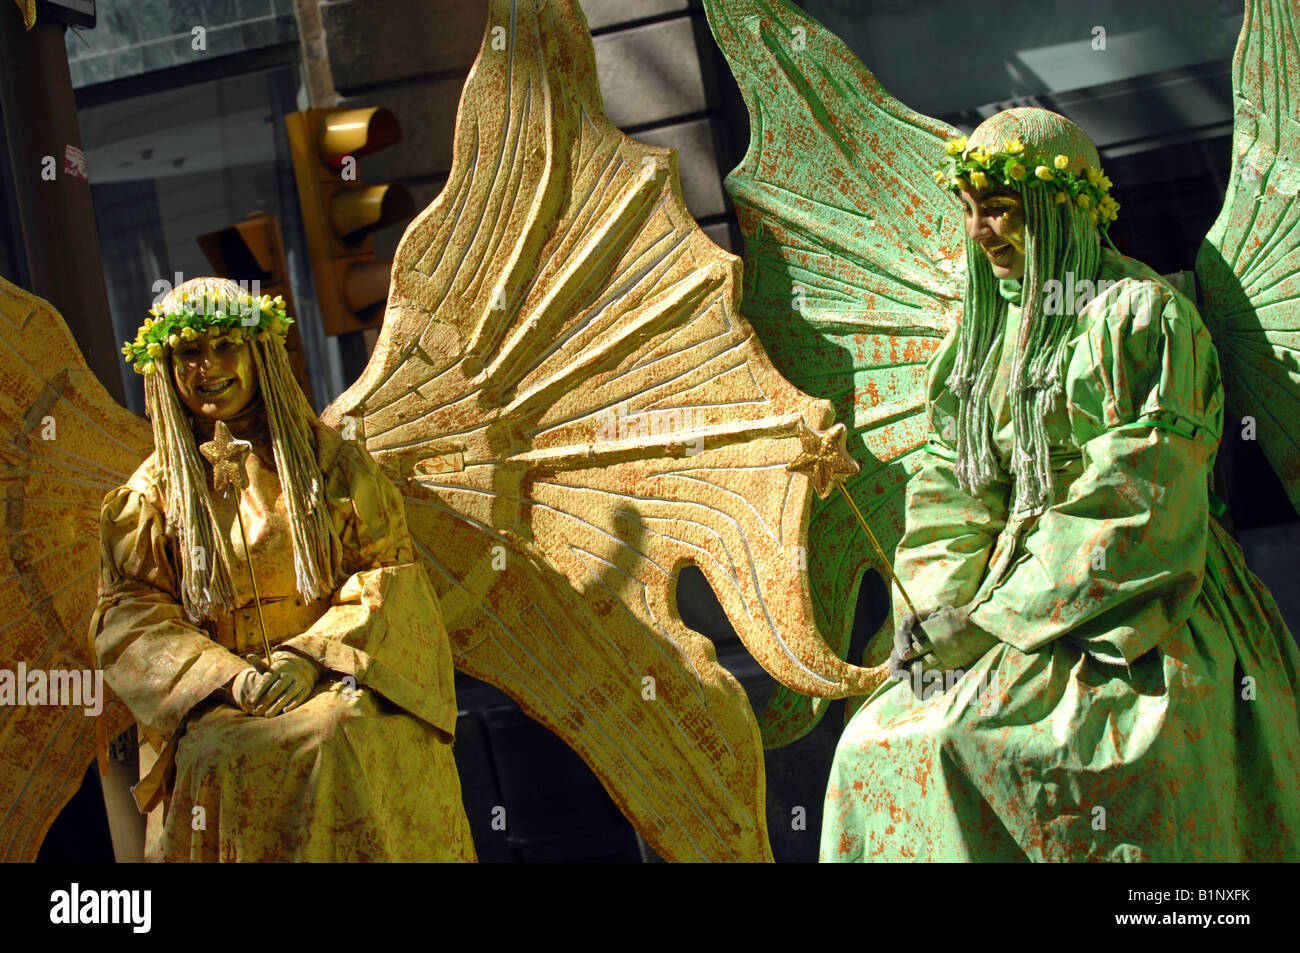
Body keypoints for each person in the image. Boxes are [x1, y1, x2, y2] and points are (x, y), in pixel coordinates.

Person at [821, 108, 1300, 861]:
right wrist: (936, 609)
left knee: (975, 744)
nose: (979, 231)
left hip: (1139, 606)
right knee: (870, 748)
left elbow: (1139, 501)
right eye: (970, 211)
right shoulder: (976, 339)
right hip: (995, 607)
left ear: (1062, 206)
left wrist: (993, 623)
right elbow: (952, 493)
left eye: (1002, 210)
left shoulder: (1141, 317)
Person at [91, 276, 475, 861]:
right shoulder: (150, 496)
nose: (207, 366)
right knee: (217, 757)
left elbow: (387, 575)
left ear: (259, 352)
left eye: (225, 345)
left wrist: (307, 657)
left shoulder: (331, 465)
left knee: (337, 732)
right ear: (165, 368)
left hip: (335, 673)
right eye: (189, 351)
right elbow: (132, 617)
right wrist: (225, 677)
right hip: (217, 699)